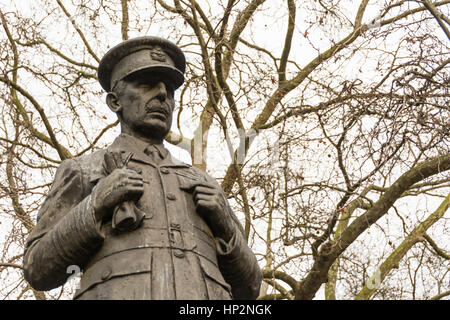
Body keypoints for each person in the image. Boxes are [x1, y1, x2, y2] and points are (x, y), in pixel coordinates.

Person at [23, 36, 262, 300]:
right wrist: (96, 205)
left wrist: (226, 226)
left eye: (169, 91)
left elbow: (249, 289)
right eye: (147, 85)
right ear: (115, 102)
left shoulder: (204, 185)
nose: (162, 96)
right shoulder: (83, 170)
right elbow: (38, 269)